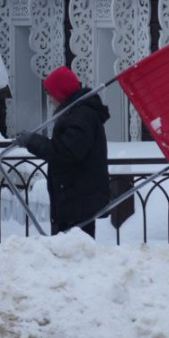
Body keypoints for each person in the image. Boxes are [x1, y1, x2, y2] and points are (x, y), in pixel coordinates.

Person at [14, 66, 110, 238]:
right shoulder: (76, 113)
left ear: (61, 92)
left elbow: (66, 152)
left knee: (74, 253)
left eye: (51, 93)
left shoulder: (81, 116)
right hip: (73, 197)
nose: (50, 99)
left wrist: (32, 141)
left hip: (78, 200)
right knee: (68, 252)